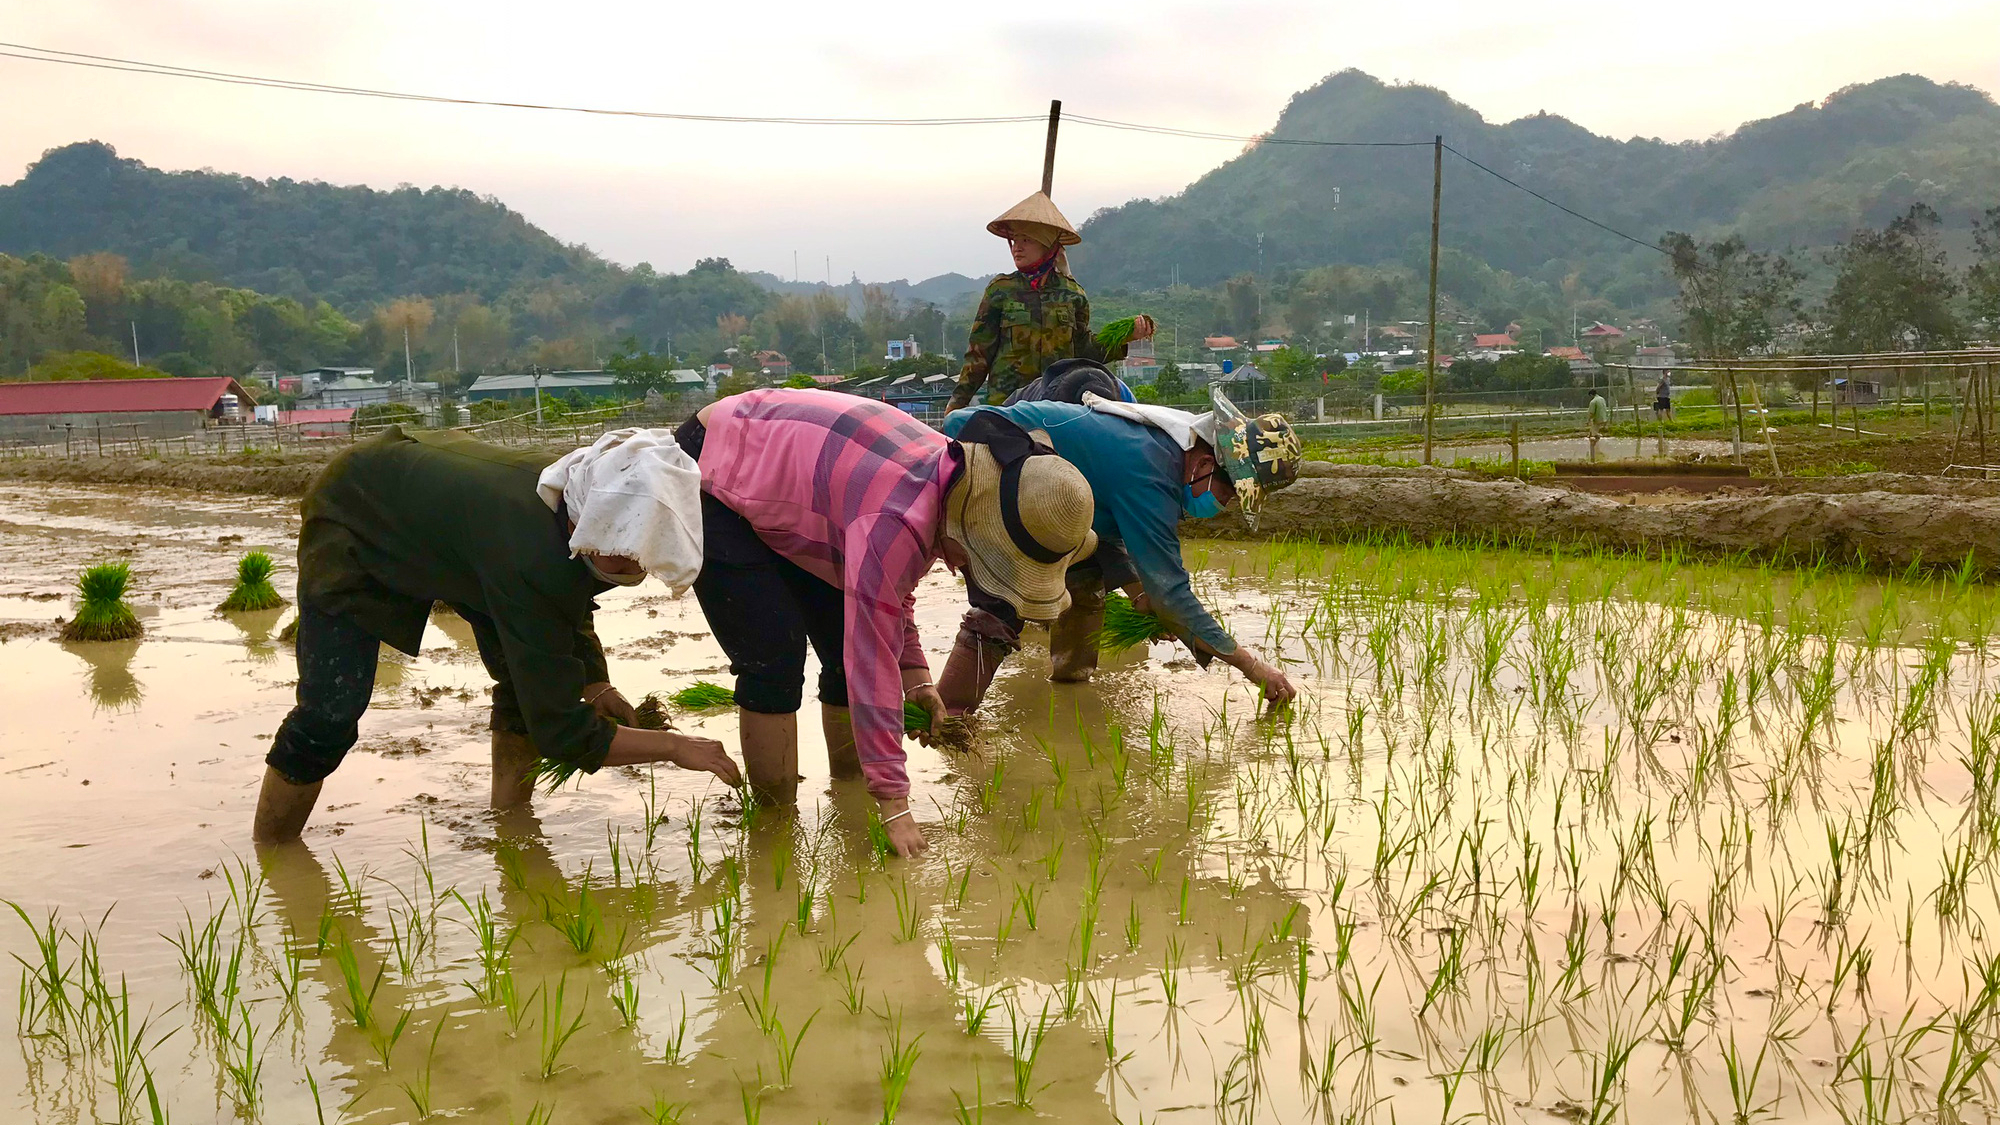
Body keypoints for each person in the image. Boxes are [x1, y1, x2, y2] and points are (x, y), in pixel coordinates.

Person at [253, 426, 742, 844]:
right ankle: (273, 854)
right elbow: (562, 733)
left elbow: (567, 594)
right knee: (330, 712)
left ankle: (510, 824)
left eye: (647, 552)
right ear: (584, 522)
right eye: (625, 552)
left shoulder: (572, 498)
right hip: (358, 510)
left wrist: (596, 681)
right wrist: (676, 747)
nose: (636, 565)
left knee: (518, 679)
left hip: (457, 531)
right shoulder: (531, 552)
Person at [677, 387, 1097, 858]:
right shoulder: (895, 516)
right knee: (774, 658)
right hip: (715, 463)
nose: (967, 572)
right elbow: (871, 657)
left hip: (804, 481)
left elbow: (892, 592)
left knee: (837, 646)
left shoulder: (948, 482)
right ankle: (775, 829)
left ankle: (847, 795)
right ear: (975, 528)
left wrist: (917, 679)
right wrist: (895, 803)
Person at [936, 385, 1304, 712]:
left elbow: (1103, 523)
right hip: (984, 454)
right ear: (1207, 463)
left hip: (1029, 472)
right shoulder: (1150, 471)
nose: (1224, 505)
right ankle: (946, 716)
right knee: (1007, 601)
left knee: (1084, 575)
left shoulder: (1174, 450)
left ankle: (1070, 688)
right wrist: (1253, 667)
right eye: (1228, 494)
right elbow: (1172, 592)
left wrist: (1140, 592)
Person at [944, 191, 1155, 412]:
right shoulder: (1001, 290)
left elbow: (1084, 351)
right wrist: (957, 404)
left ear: (1048, 246)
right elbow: (979, 355)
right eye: (1015, 240)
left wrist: (1125, 338)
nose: (1017, 247)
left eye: (1026, 240)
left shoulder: (1073, 294)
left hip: (1059, 406)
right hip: (1008, 407)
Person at [1587, 388, 1610, 460]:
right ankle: (1596, 444)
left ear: (1591, 395)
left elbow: (1591, 413)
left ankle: (1595, 451)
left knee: (1593, 436)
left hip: (1597, 419)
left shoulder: (1593, 402)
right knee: (1592, 431)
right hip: (1604, 418)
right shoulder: (1602, 399)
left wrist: (1588, 420)